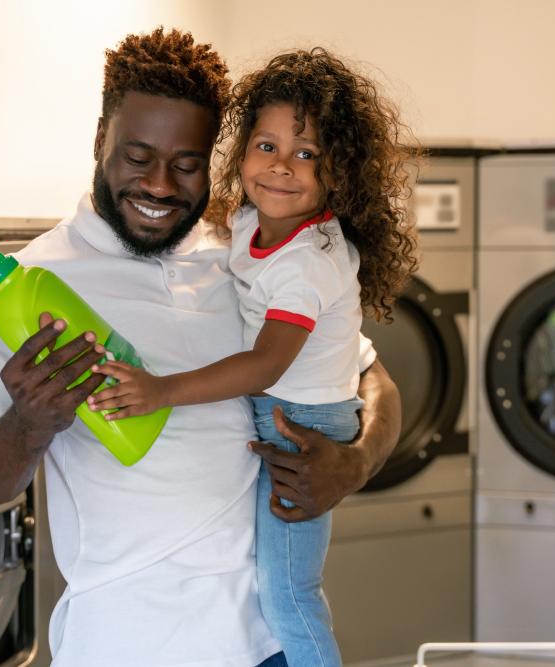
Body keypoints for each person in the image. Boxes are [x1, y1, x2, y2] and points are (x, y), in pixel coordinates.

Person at [0, 28, 402, 667]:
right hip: (131, 644)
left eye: (186, 164)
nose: (158, 185)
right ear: (101, 141)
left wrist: (357, 462)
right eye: (137, 155)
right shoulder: (28, 286)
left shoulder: (245, 254)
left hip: (272, 640)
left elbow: (372, 379)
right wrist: (30, 423)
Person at [86, 48, 419, 667]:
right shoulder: (245, 223)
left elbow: (270, 365)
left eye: (307, 153)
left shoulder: (305, 263)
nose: (282, 168)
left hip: (304, 428)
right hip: (146, 616)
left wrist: (159, 390)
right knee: (285, 587)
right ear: (239, 153)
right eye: (266, 147)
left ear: (337, 171)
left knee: (291, 594)